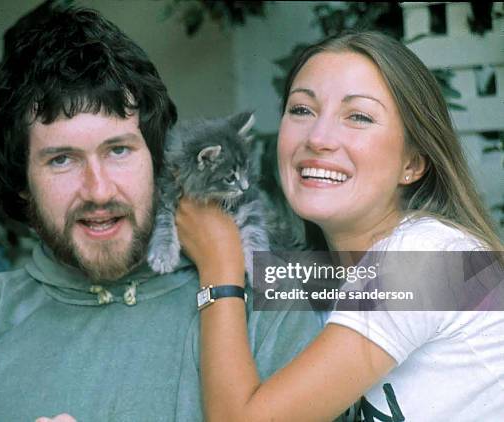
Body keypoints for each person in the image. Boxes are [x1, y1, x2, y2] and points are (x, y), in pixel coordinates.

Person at [0, 7, 323, 421]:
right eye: (61, 160)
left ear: (160, 160)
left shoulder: (269, 302)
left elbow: (386, 289)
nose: (98, 190)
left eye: (118, 150)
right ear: (22, 183)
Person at [176, 31, 504, 421]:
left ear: (412, 164)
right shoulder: (322, 278)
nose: (318, 137)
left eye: (359, 116)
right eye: (301, 110)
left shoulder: (429, 257)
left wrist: (220, 266)